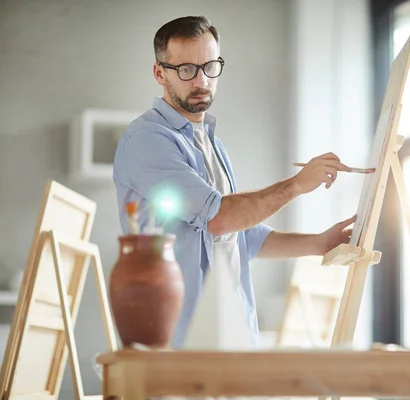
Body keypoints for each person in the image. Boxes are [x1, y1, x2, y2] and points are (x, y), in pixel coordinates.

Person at [112, 15, 359, 348]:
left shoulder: (213, 144)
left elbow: (241, 236)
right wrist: (297, 185)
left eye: (210, 66)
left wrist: (318, 243)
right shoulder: (147, 140)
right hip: (178, 343)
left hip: (230, 336)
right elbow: (219, 218)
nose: (201, 80)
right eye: (186, 69)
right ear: (160, 73)